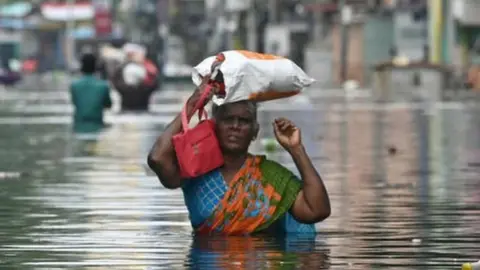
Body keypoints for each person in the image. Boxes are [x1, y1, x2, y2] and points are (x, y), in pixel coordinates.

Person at [147, 77, 331, 235]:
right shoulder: (195, 171)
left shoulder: (272, 177)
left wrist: (296, 149)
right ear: (213, 126)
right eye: (228, 119)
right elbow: (157, 158)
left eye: (244, 121)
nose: (235, 126)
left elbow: (317, 210)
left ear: (255, 131)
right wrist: (192, 105)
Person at [70, 53, 112, 133]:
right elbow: (108, 105)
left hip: (79, 125)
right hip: (97, 124)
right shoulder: (103, 85)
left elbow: (74, 102)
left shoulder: (74, 86)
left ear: (81, 66)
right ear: (95, 67)